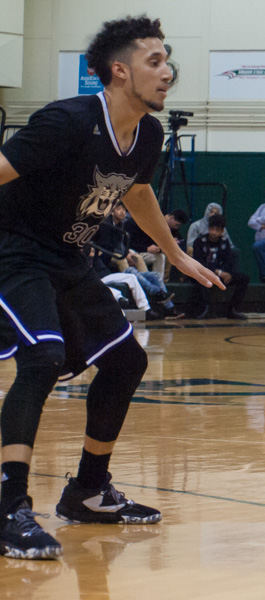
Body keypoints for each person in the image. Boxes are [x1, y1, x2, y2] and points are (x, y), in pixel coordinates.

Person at [0, 15, 222, 560]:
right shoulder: (67, 121)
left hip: (67, 257)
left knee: (126, 362)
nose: (168, 72)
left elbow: (137, 191)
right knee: (42, 357)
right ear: (119, 71)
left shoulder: (147, 132)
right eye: (155, 61)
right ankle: (9, 507)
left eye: (167, 60)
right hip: (13, 252)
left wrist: (175, 254)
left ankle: (88, 491)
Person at [193, 214, 250, 320]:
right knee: (199, 277)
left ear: (222, 230)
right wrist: (217, 272)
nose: (213, 232)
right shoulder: (200, 241)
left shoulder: (224, 242)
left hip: (221, 274)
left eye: (217, 230)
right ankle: (206, 309)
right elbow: (199, 263)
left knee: (244, 278)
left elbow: (228, 261)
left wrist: (226, 273)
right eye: (211, 229)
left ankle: (233, 310)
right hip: (205, 272)